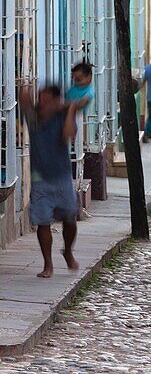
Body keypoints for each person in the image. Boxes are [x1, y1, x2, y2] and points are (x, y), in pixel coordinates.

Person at [19, 85, 80, 279]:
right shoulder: (33, 117)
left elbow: (69, 135)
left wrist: (70, 109)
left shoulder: (62, 117)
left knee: (70, 219)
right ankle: (48, 264)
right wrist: (26, 90)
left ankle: (68, 251)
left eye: (45, 98)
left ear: (56, 100)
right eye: (40, 97)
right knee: (43, 222)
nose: (41, 101)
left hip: (61, 176)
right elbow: (23, 97)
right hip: (40, 179)